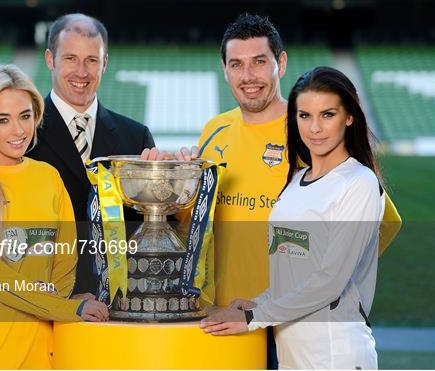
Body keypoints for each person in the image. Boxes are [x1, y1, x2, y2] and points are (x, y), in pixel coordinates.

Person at [144, 13, 401, 368]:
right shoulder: (215, 131)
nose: (248, 76)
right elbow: (197, 223)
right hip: (229, 316)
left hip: (294, 322)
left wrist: (329, 287)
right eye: (237, 64)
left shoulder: (312, 133)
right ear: (225, 70)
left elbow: (379, 227)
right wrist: (173, 189)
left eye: (259, 62)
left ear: (280, 63)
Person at [201, 66, 384, 369]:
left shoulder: (359, 183)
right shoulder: (296, 180)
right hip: (291, 355)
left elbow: (329, 282)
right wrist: (258, 302)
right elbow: (294, 274)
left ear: (349, 117)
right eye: (304, 116)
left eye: (327, 114)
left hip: (335, 355)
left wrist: (253, 317)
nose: (314, 128)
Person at [0, 64, 108, 369]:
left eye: (25, 116)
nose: (19, 131)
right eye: (3, 120)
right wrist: (66, 308)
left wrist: (57, 300)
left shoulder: (48, 177)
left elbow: (64, 260)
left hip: (44, 349)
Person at [27, 13, 155, 296]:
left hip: (121, 306)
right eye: (71, 58)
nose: (81, 72)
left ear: (105, 63)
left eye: (92, 60)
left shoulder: (136, 137)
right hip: (45, 305)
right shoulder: (24, 136)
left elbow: (153, 232)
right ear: (50, 59)